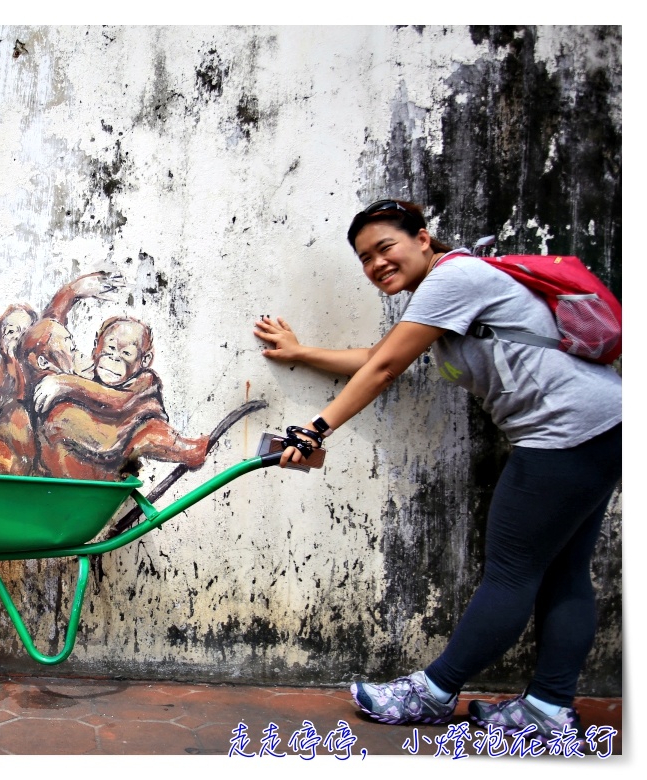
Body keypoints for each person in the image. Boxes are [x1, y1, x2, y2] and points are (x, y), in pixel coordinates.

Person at [253, 199, 621, 740]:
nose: (376, 264)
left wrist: (314, 429)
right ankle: (549, 708)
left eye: (385, 247)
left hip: (565, 431)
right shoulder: (446, 296)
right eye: (364, 258)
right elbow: (379, 354)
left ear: (423, 239)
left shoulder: (455, 277)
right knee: (561, 573)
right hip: (600, 425)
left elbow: (382, 369)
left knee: (511, 571)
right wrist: (301, 352)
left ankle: (433, 692)